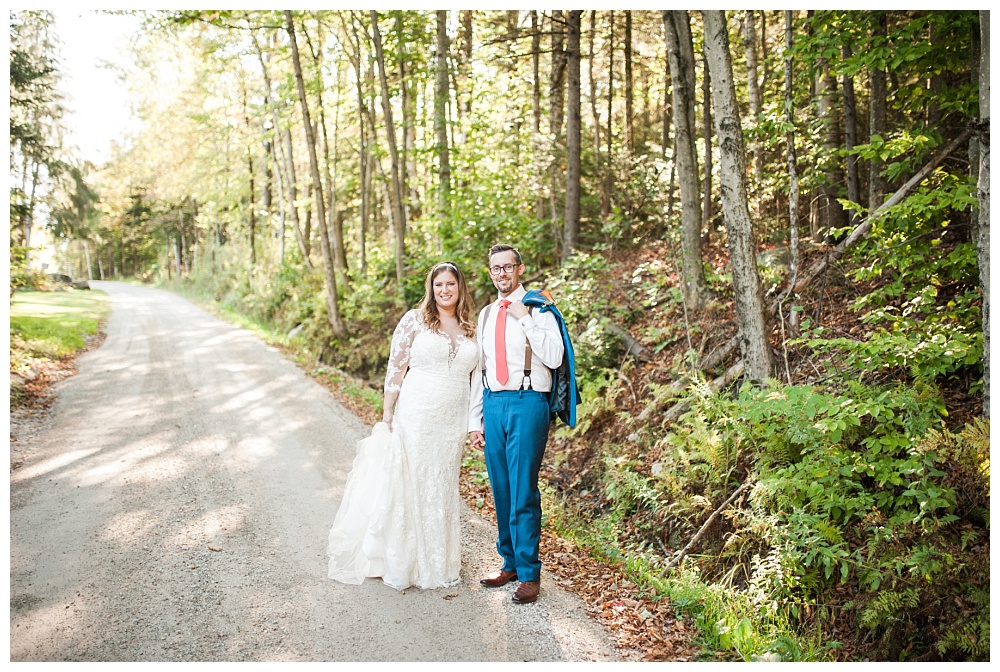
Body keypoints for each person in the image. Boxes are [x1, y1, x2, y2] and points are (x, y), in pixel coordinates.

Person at [328, 261, 479, 590]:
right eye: (438, 285)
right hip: (417, 411)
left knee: (440, 484)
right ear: (431, 288)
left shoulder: (470, 326)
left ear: (459, 287)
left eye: (450, 284)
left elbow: (476, 378)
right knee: (410, 481)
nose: (444, 290)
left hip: (452, 417)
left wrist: (473, 422)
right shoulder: (415, 320)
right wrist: (387, 413)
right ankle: (401, 558)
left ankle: (440, 559)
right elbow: (396, 368)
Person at [468, 244, 564, 604]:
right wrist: (474, 420)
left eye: (508, 267)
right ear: (490, 272)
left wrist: (524, 317)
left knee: (523, 490)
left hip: (527, 403)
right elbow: (481, 369)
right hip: (494, 405)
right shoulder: (486, 314)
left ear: (520, 269)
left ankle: (528, 572)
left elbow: (554, 358)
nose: (502, 274)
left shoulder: (540, 308)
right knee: (502, 488)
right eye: (496, 268)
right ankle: (508, 561)